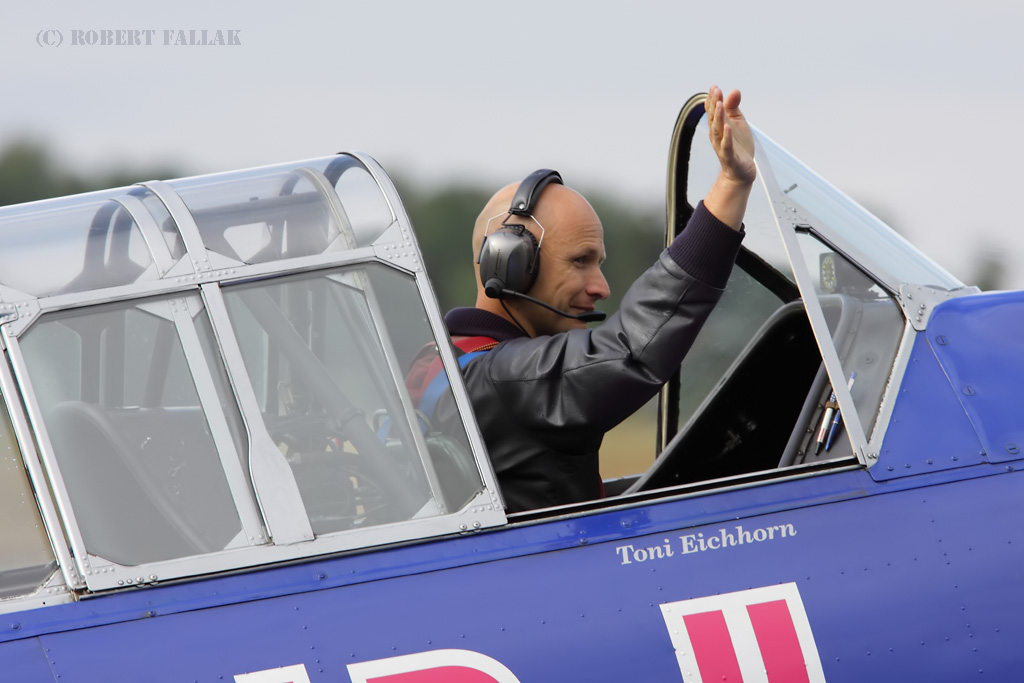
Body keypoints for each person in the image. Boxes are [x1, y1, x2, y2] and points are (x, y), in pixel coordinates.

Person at [435, 86, 755, 513]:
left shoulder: (437, 361)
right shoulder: (504, 381)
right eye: (580, 261)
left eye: (598, 263)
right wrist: (731, 186)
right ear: (510, 265)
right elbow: (629, 350)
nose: (601, 286)